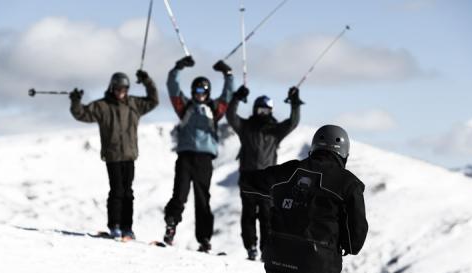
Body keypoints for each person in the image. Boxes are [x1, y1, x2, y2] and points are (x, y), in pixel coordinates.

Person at [240, 125, 368, 273]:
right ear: (344, 153)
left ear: (314, 147)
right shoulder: (349, 185)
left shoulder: (289, 172)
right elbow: (354, 242)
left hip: (276, 271)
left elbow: (248, 183)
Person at [69, 70, 159, 240]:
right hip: (113, 156)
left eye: (124, 89)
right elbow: (81, 114)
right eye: (118, 89)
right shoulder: (102, 106)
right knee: (117, 191)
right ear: (112, 88)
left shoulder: (134, 104)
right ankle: (114, 226)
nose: (120, 92)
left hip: (129, 155)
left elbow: (153, 100)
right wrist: (75, 101)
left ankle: (127, 229)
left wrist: (147, 81)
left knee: (128, 192)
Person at [163, 56, 234, 252]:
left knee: (203, 199)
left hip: (204, 159)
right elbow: (172, 86)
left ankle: (204, 239)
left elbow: (228, 95)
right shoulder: (184, 107)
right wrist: (178, 67)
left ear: (208, 92)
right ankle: (171, 226)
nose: (199, 94)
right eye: (196, 90)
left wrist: (228, 74)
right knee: (179, 195)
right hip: (185, 157)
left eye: (203, 90)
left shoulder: (214, 109)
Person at [226, 85, 302, 260]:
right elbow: (230, 116)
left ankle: (266, 251)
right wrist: (237, 97)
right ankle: (251, 248)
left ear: (271, 111)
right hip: (248, 176)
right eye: (260, 109)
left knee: (267, 216)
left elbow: (293, 122)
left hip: (268, 178)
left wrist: (295, 103)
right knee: (248, 214)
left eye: (266, 110)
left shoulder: (275, 130)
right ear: (254, 109)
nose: (262, 113)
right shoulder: (245, 127)